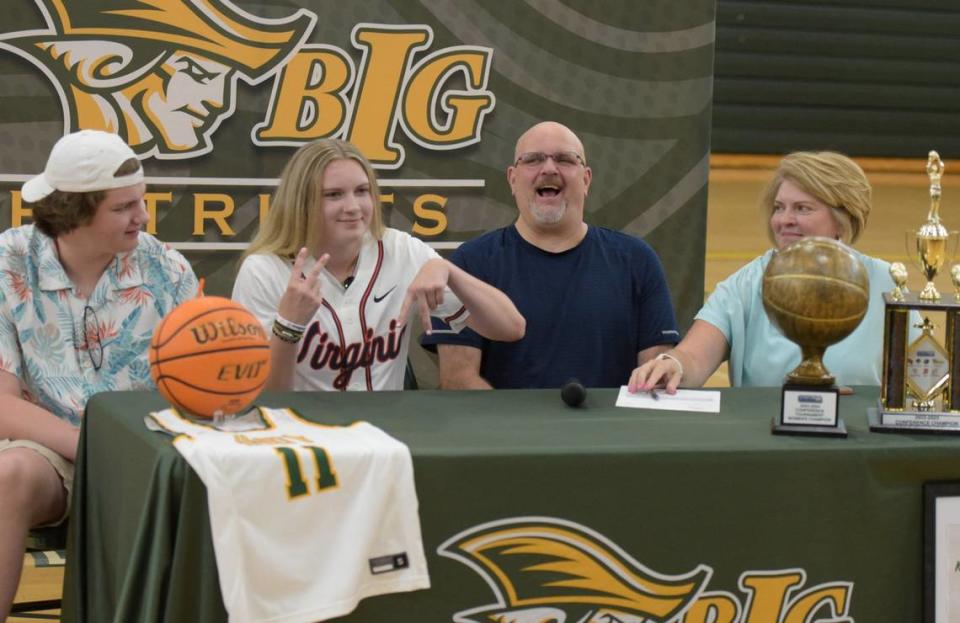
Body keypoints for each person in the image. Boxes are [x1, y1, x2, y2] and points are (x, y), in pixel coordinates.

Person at [0, 130, 198, 619]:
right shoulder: (9, 261)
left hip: (154, 449)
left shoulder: (167, 268)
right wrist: (91, 443)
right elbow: (3, 402)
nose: (143, 217)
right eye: (124, 207)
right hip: (53, 451)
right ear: (74, 210)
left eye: (142, 202)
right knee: (9, 475)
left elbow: (202, 385)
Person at [231, 138, 525, 392]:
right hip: (305, 439)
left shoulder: (401, 250)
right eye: (334, 194)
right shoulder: (263, 271)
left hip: (385, 440)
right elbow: (265, 398)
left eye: (362, 191)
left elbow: (511, 327)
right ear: (301, 202)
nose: (353, 206)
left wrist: (450, 272)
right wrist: (288, 327)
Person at [421, 121, 679, 389]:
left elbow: (655, 378)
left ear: (586, 179)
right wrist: (519, 430)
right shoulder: (469, 265)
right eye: (532, 160)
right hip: (505, 430)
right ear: (512, 178)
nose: (548, 169)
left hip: (609, 431)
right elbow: (457, 379)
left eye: (565, 159)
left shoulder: (637, 260)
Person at [629, 151, 892, 393]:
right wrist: (674, 364)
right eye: (779, 207)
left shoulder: (886, 282)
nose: (784, 220)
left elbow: (916, 378)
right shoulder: (747, 282)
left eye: (802, 208)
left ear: (843, 219)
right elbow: (694, 356)